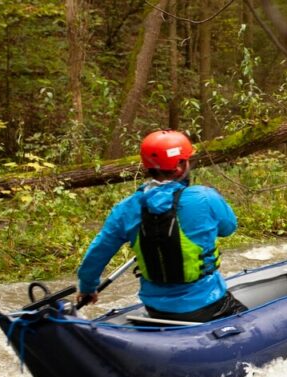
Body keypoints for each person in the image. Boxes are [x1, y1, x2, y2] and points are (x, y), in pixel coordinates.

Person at [76, 130, 245, 322]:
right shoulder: (205, 197)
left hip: (156, 309)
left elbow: (96, 254)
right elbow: (229, 228)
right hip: (208, 305)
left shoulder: (126, 208)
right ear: (180, 166)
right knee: (249, 319)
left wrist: (88, 288)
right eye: (187, 159)